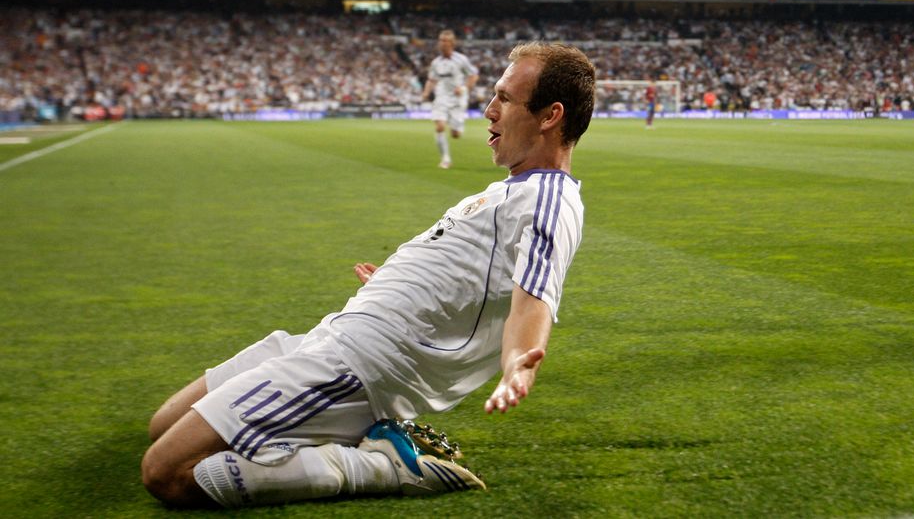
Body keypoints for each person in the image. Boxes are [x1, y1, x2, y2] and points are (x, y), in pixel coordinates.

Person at [141, 41, 596, 509]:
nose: (488, 110)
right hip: (338, 333)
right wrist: (399, 285)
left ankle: (381, 465)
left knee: (168, 472)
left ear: (550, 116)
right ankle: (339, 433)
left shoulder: (549, 199)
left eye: (505, 98)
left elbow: (532, 299)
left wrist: (518, 361)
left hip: (358, 363)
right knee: (163, 425)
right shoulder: (511, 190)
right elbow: (470, 278)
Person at [421, 29, 480, 169]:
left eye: (446, 41)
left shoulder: (461, 59)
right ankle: (445, 159)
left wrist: (464, 88)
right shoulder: (436, 62)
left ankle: (458, 127)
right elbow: (432, 79)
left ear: (452, 43)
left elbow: (473, 75)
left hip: (458, 99)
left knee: (455, 135)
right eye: (441, 40)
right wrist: (426, 92)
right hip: (441, 97)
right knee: (440, 126)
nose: (443, 43)